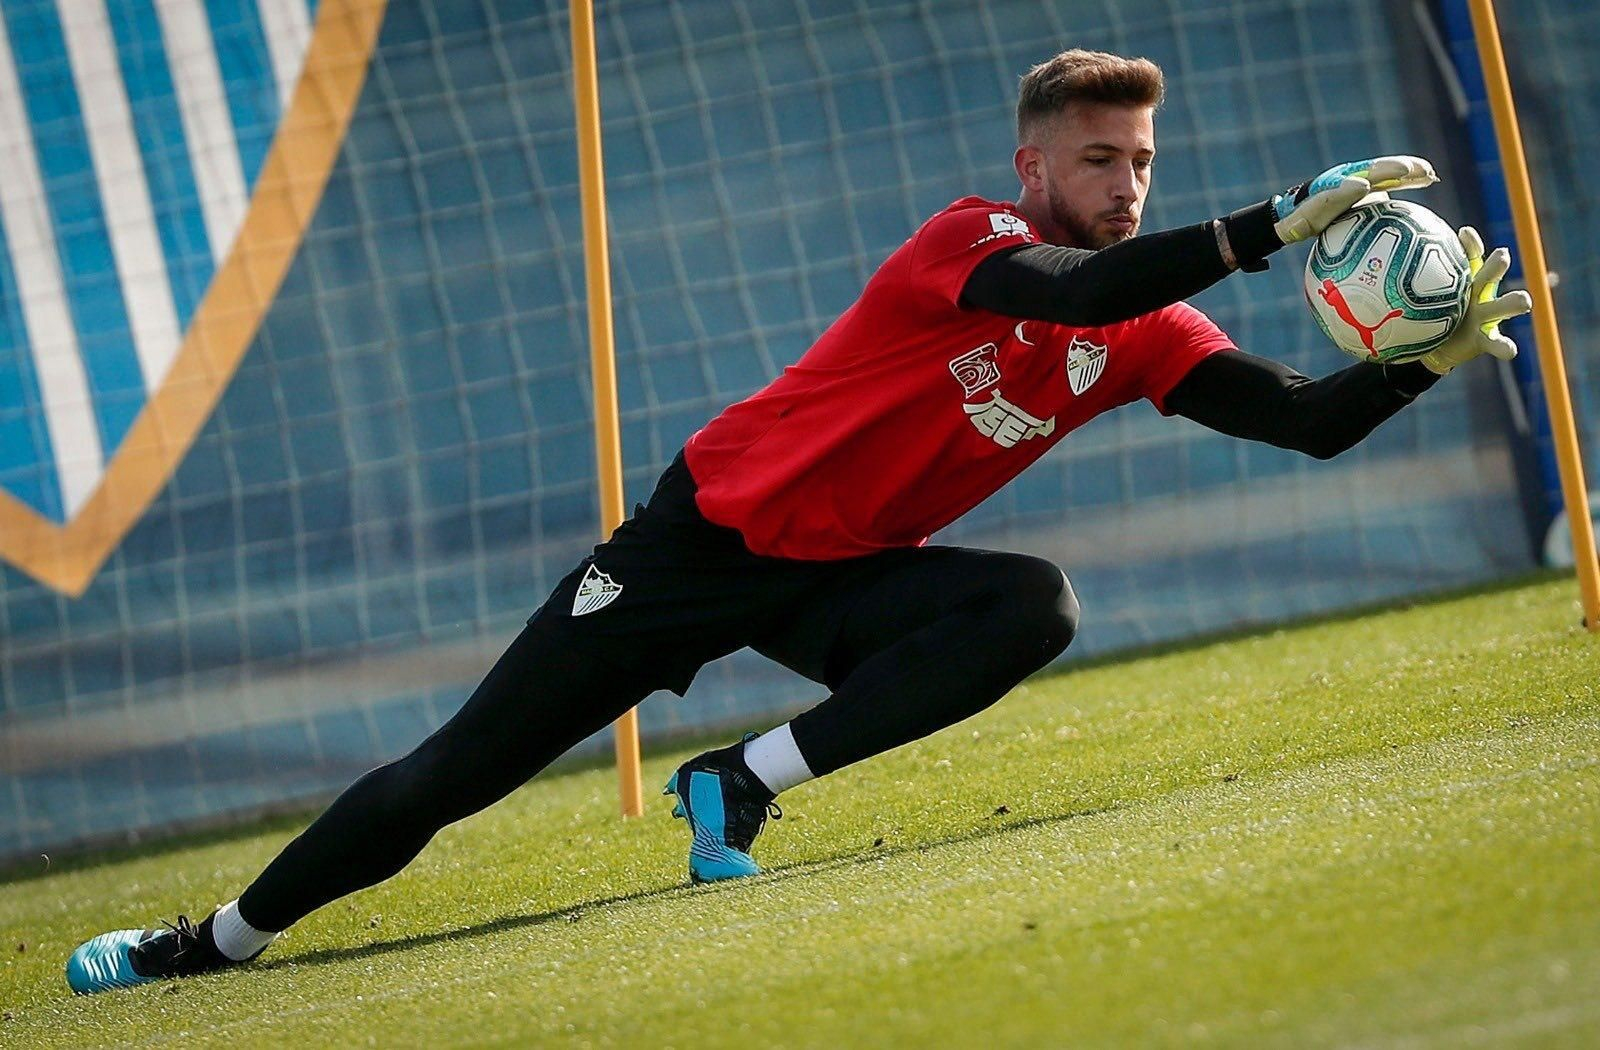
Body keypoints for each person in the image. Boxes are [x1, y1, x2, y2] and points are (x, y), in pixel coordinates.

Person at [65, 48, 1530, 993]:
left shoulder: (1145, 329)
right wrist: (1270, 223)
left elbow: (1303, 419)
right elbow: (1081, 290)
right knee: (453, 774)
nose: (1124, 180)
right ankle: (208, 943)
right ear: (1033, 168)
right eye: (1098, 157)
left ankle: (743, 780)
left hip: (841, 575)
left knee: (1033, 604)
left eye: (1141, 159)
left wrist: (1416, 355)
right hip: (696, 551)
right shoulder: (973, 241)